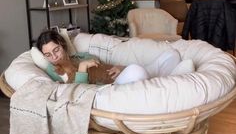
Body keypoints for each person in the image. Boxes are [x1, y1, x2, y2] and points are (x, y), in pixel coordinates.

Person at [36, 30, 181, 85]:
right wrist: (82, 67)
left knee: (172, 54)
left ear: (63, 46)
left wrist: (120, 67)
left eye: (56, 50)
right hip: (109, 89)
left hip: (120, 77)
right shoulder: (52, 71)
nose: (54, 57)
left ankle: (158, 78)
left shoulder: (82, 56)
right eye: (48, 55)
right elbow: (75, 93)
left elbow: (105, 68)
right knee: (138, 71)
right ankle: (165, 79)